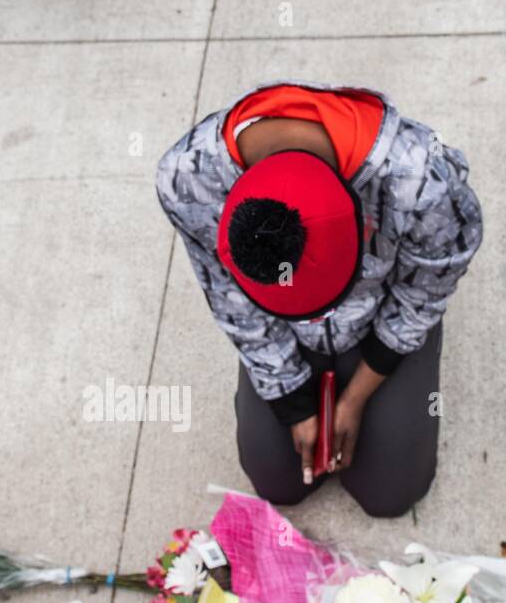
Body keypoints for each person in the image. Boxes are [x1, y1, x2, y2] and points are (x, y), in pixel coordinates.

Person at [156, 82, 482, 516]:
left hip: (381, 315)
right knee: (277, 483)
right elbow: (230, 298)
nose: (320, 315)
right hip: (279, 332)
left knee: (389, 496)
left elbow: (425, 287)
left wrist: (357, 396)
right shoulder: (187, 179)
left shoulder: (424, 181)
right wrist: (290, 399)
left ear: (359, 220)